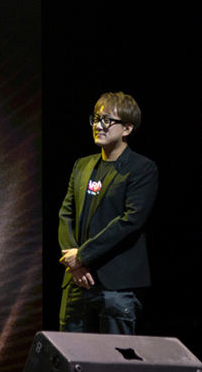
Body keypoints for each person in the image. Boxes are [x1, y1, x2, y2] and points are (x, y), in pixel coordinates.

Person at [58, 91, 158, 334]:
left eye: (107, 120)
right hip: (77, 281)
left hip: (117, 287)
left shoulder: (142, 169)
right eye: (95, 118)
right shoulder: (82, 165)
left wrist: (83, 255)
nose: (98, 125)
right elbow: (65, 215)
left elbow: (130, 221)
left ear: (127, 129)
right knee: (70, 355)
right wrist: (74, 264)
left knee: (114, 356)